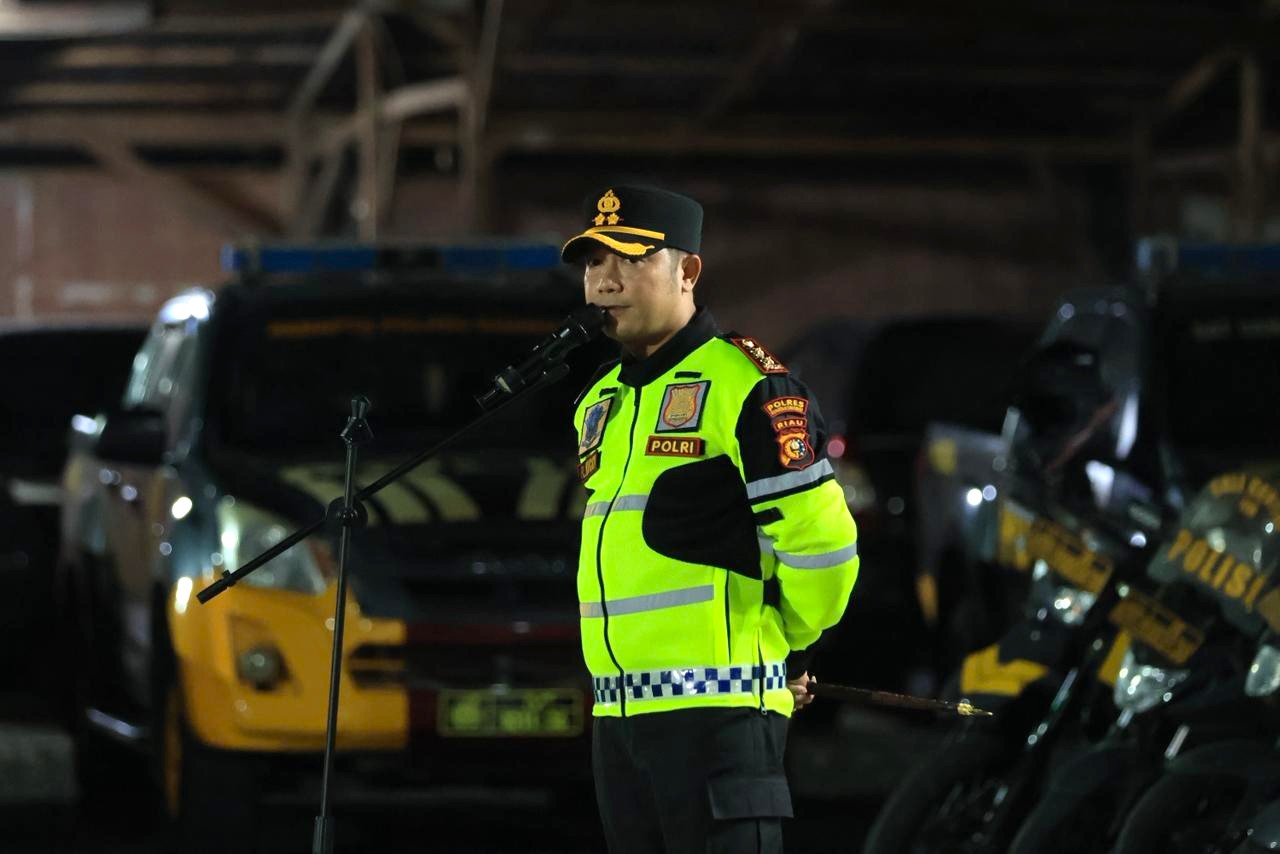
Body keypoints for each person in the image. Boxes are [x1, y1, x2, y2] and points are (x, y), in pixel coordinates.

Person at [562, 183, 859, 853]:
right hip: (618, 720)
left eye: (631, 258)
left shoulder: (748, 385)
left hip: (720, 717)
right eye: (593, 262)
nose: (605, 280)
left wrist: (788, 645)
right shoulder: (597, 403)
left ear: (688, 270)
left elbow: (825, 544)